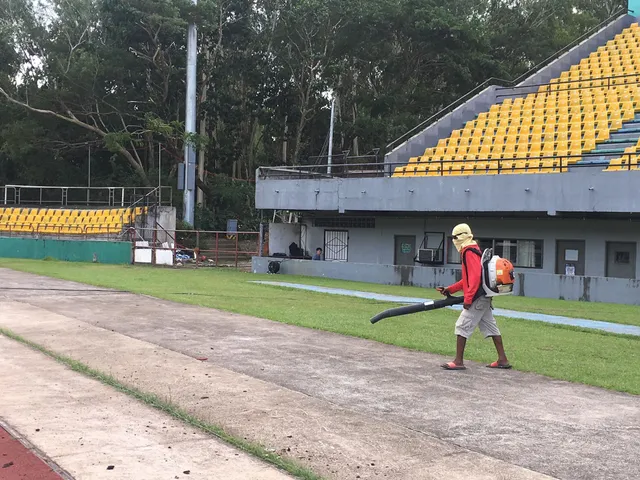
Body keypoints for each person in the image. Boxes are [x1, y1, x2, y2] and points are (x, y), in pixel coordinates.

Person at [436, 223, 511, 371]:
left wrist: (468, 299)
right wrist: (450, 289)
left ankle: (458, 361)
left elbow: (475, 277)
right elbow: (468, 279)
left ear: (460, 237)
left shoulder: (468, 252)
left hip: (477, 297)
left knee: (462, 326)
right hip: (484, 296)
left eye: (454, 238)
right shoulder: (475, 250)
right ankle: (502, 359)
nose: (453, 241)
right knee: (491, 327)